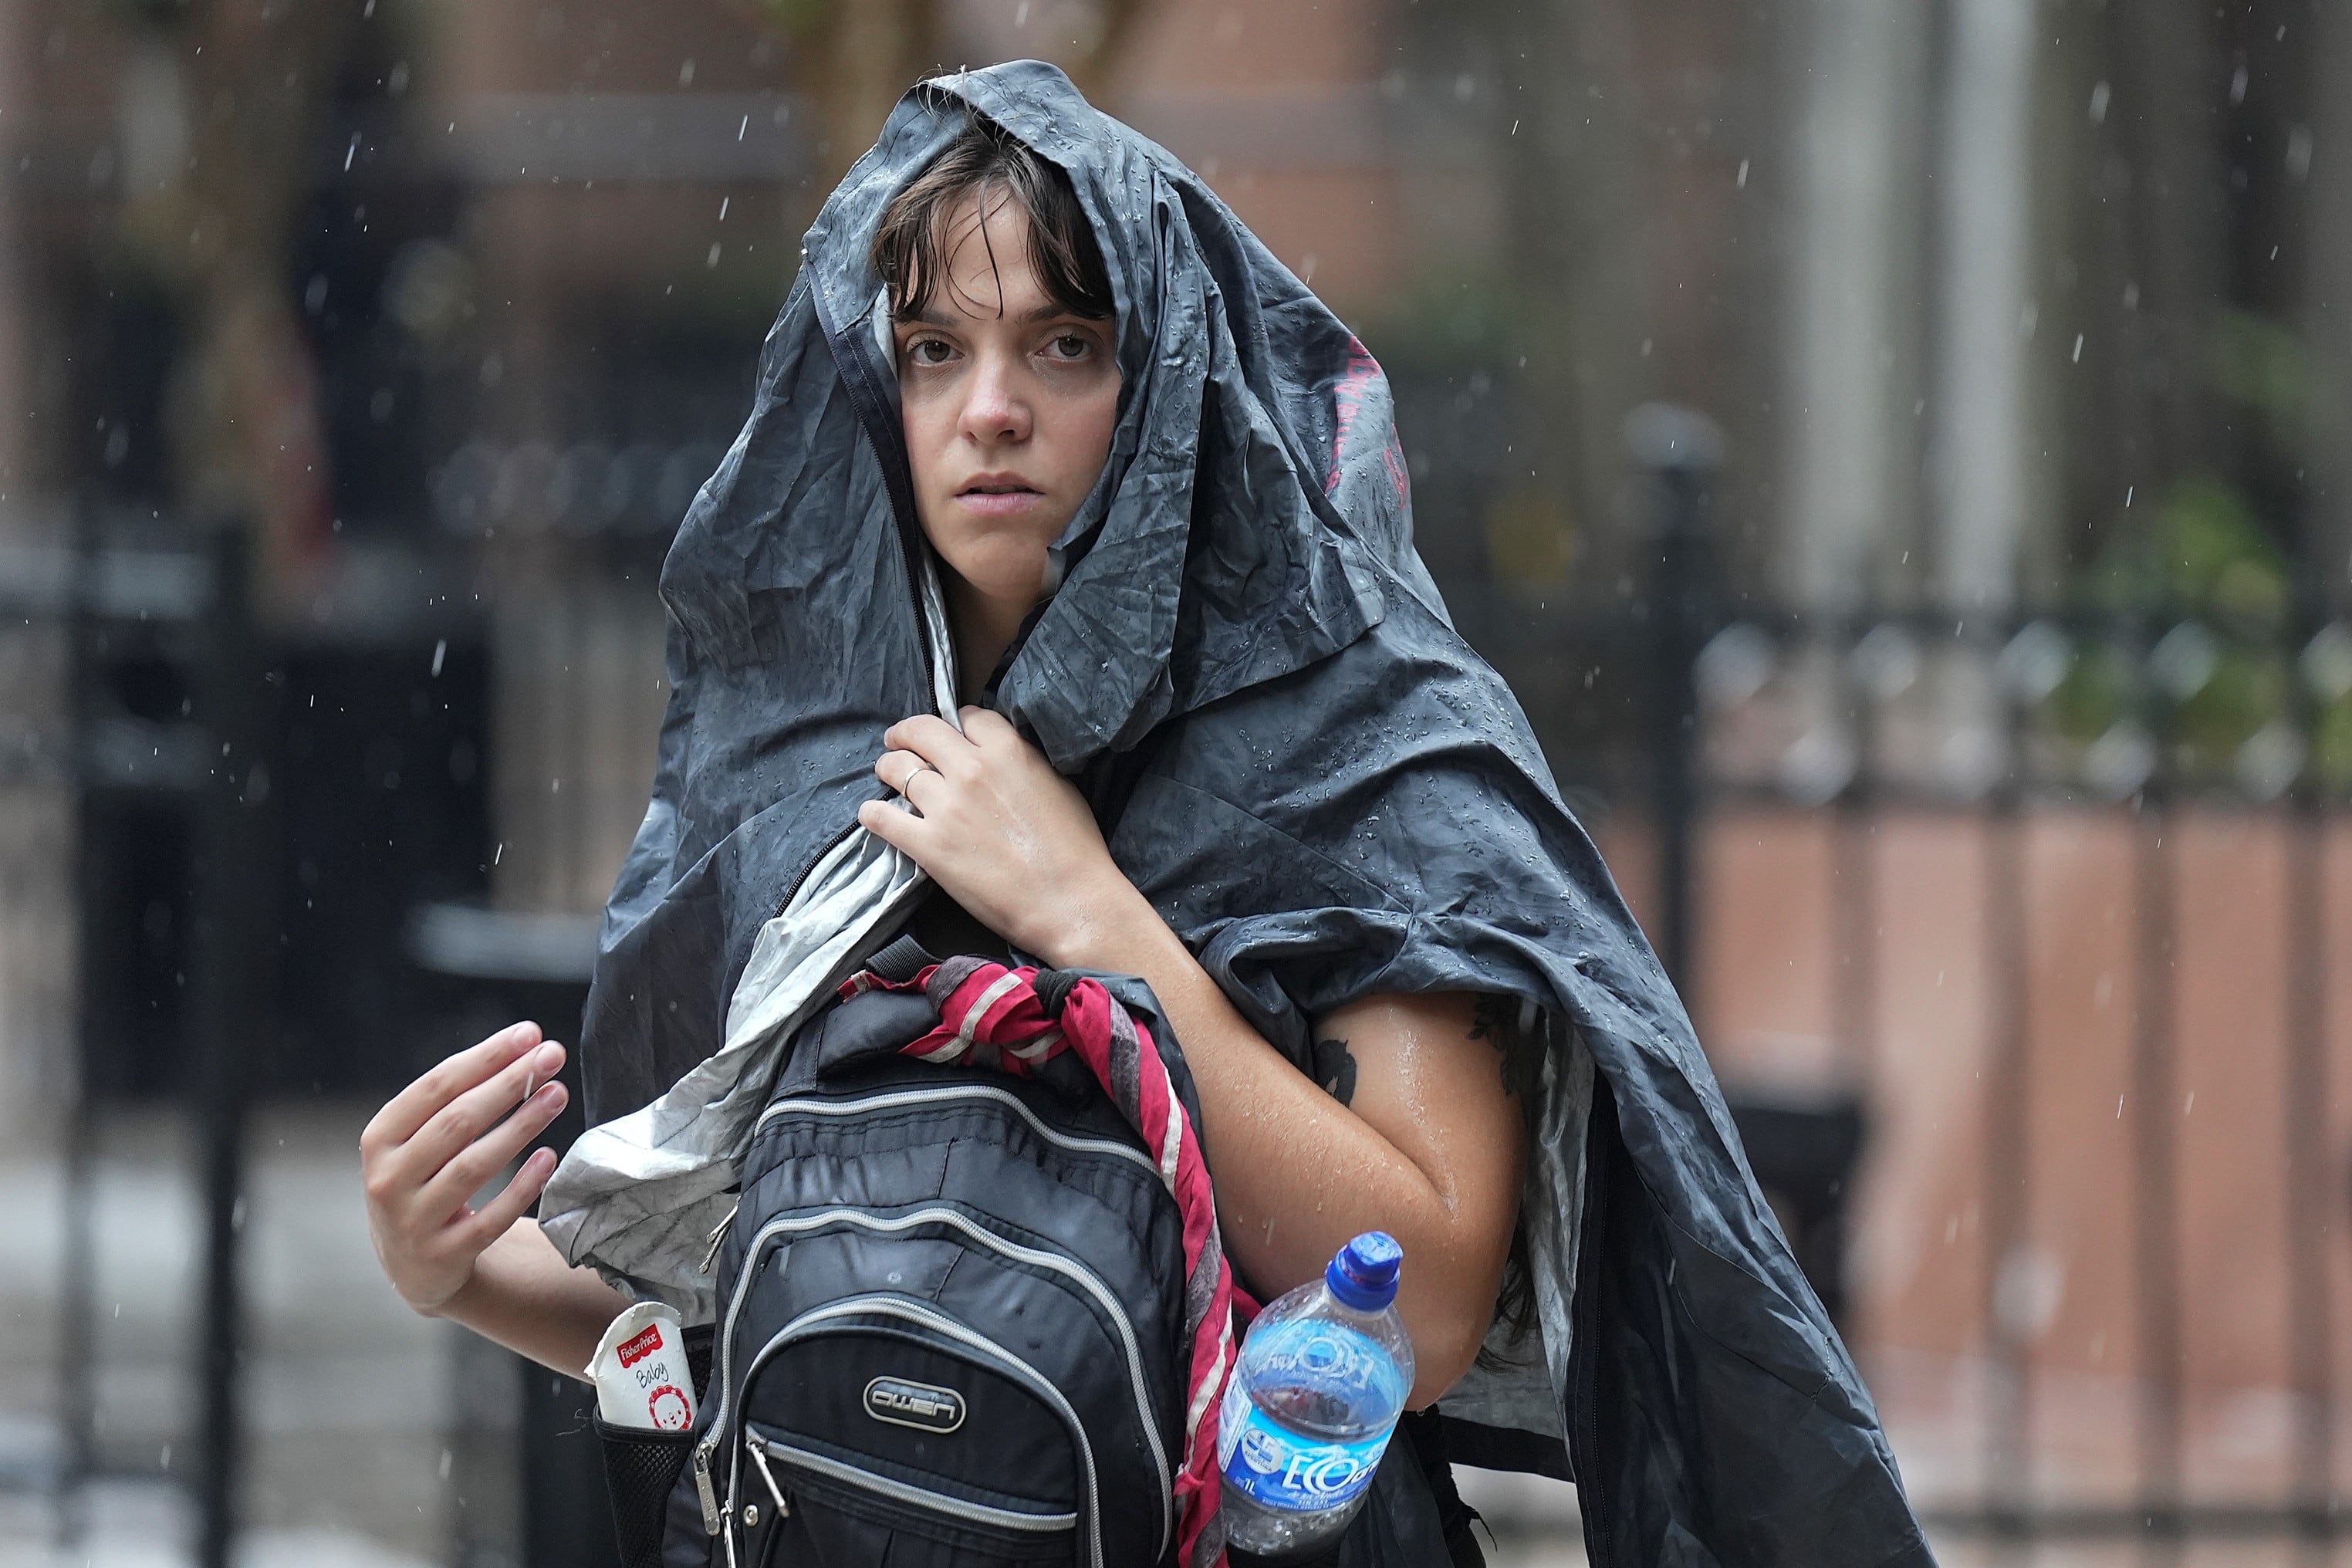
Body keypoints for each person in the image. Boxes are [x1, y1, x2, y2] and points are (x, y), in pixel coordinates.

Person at [367, 62, 1929, 1566]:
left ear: (1172, 379)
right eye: (934, 348)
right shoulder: (828, 777)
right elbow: (783, 1323)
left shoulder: (1357, 749)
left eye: (1063, 344)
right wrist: (468, 1274)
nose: (989, 408)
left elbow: (1425, 1300)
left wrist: (1092, 919)